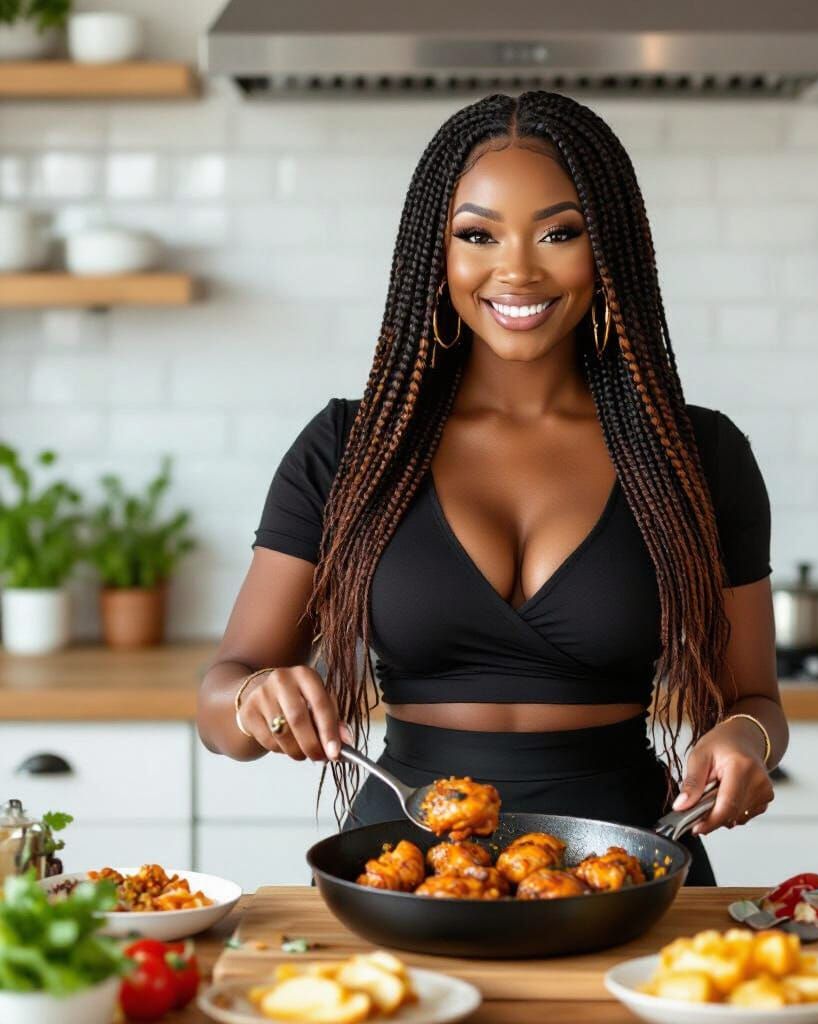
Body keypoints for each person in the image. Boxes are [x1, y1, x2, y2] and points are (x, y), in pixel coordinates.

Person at [196, 90, 786, 886]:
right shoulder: (349, 450)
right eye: (478, 234)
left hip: (628, 870)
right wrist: (256, 698)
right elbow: (220, 707)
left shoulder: (698, 454)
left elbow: (755, 698)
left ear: (606, 247)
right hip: (398, 871)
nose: (517, 269)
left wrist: (745, 736)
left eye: (559, 232)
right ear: (434, 255)